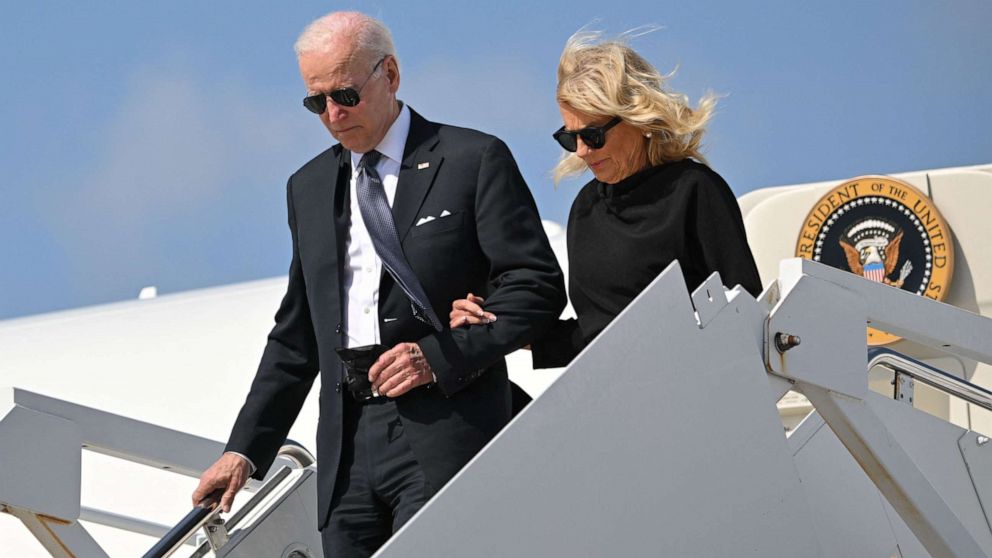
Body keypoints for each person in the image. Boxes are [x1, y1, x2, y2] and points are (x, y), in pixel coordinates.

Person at [192, 12, 565, 557]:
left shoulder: (471, 158)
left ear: (390, 75)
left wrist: (438, 354)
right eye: (316, 102)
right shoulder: (308, 186)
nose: (333, 115)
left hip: (444, 421)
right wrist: (244, 451)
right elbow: (297, 336)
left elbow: (536, 285)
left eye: (344, 94)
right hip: (347, 446)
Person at [451, 31, 761, 368]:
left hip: (696, 388)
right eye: (570, 139)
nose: (582, 151)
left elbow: (745, 308)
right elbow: (595, 336)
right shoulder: (586, 207)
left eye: (593, 135)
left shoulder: (696, 190)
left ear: (638, 117)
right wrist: (498, 324)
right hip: (613, 399)